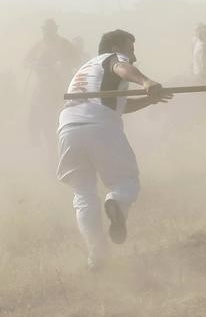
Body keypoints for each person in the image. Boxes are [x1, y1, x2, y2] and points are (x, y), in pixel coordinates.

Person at [57, 29, 172, 270]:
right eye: (131, 49)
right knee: (126, 180)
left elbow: (117, 105)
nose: (134, 57)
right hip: (99, 125)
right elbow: (122, 69)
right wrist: (146, 82)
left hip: (68, 128)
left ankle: (96, 255)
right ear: (118, 47)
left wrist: (148, 100)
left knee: (83, 195)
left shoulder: (87, 70)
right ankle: (117, 203)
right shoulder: (112, 59)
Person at [24, 19, 78, 156]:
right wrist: (34, 64)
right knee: (33, 108)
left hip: (61, 85)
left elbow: (76, 59)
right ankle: (34, 136)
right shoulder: (39, 45)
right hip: (43, 84)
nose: (47, 32)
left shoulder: (64, 43)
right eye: (45, 30)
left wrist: (63, 63)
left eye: (50, 29)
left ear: (55, 29)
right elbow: (26, 61)